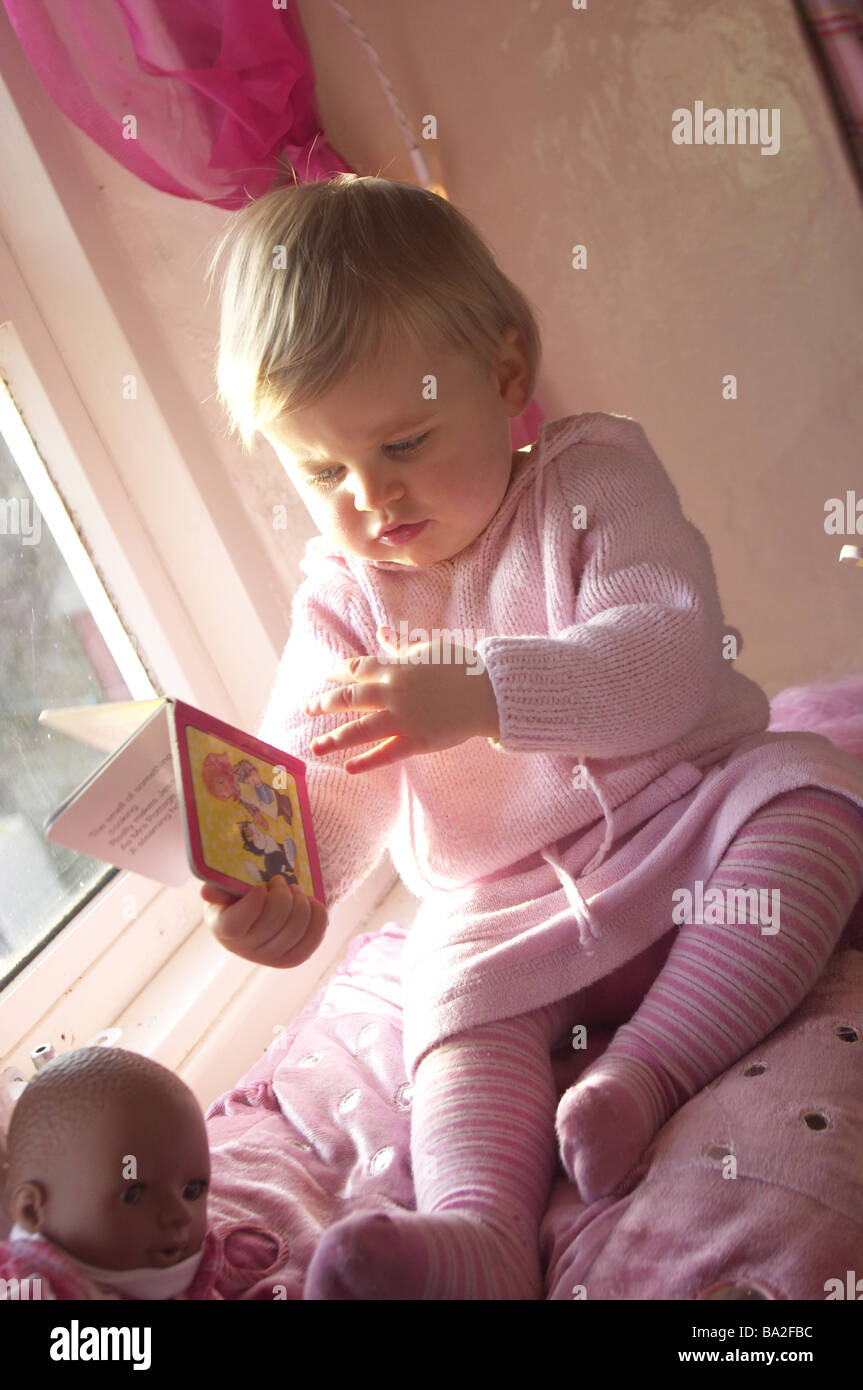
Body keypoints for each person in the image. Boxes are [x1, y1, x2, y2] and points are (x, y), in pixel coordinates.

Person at [200, 174, 863, 1300]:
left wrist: (479, 690)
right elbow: (326, 774)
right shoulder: (342, 592)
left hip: (681, 831)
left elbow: (663, 656)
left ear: (505, 376)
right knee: (441, 999)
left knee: (810, 797)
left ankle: (645, 1073)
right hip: (509, 914)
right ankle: (480, 1234)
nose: (369, 497)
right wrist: (286, 888)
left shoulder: (589, 477)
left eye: (404, 439)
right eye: (321, 471)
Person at [0, 1046, 222, 1299]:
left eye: (191, 1191)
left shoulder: (192, 1259)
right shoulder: (31, 1289)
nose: (179, 1214)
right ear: (32, 1210)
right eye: (134, 1195)